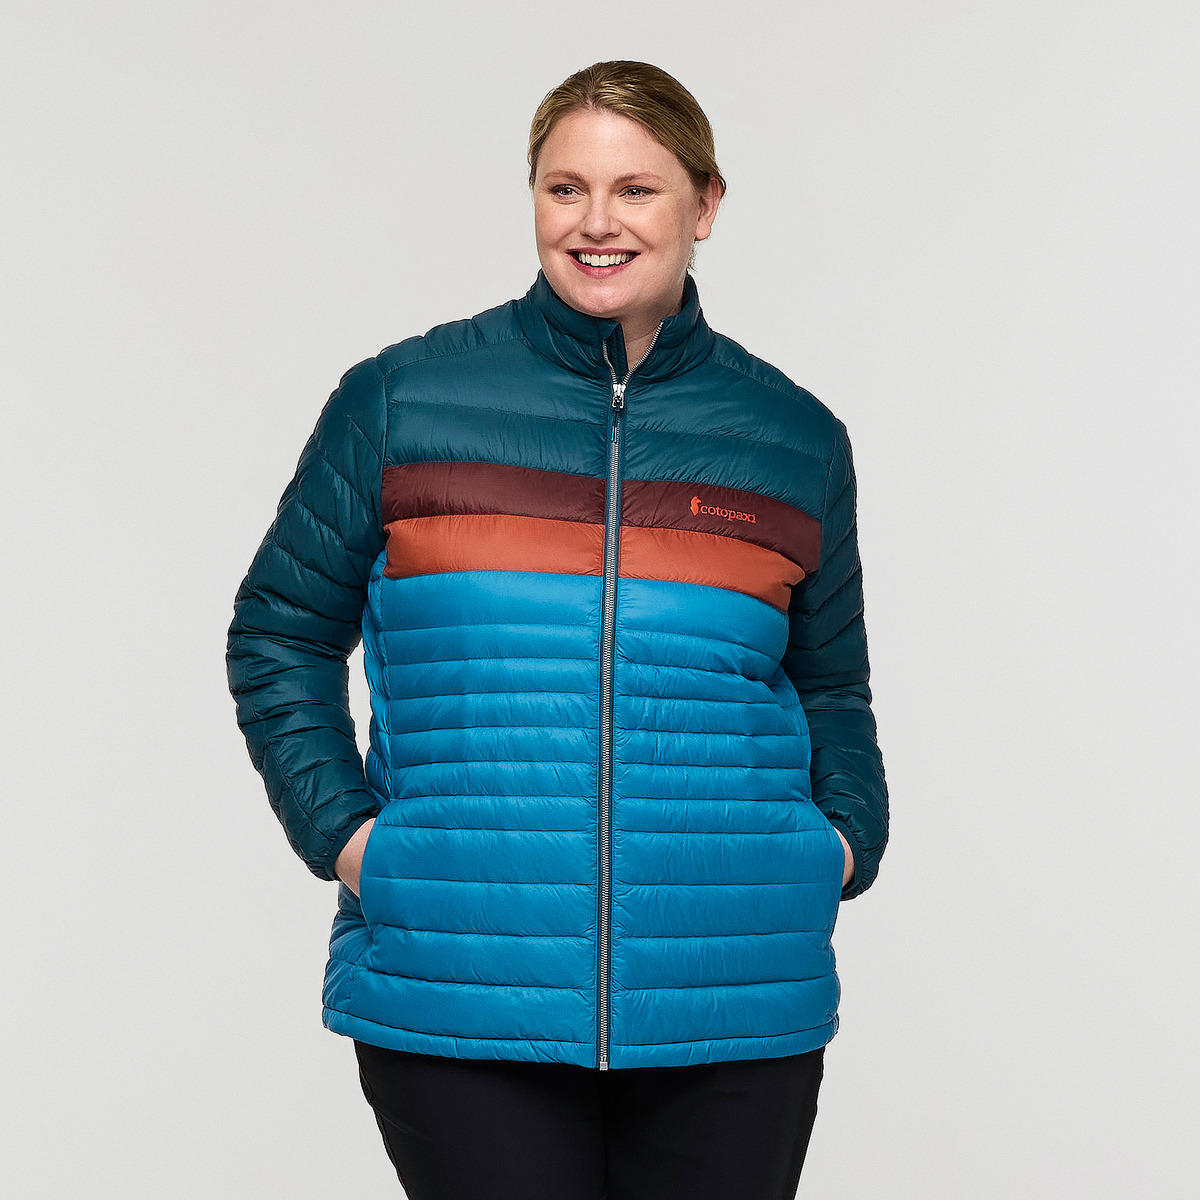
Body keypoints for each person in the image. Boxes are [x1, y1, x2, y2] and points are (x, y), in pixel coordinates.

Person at [227, 59, 888, 1200]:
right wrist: (351, 840)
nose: (595, 223)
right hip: (461, 981)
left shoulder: (791, 438)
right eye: (564, 188)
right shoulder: (402, 403)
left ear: (706, 205)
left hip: (737, 985)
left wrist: (837, 846)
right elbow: (280, 631)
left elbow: (831, 685)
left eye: (636, 189)